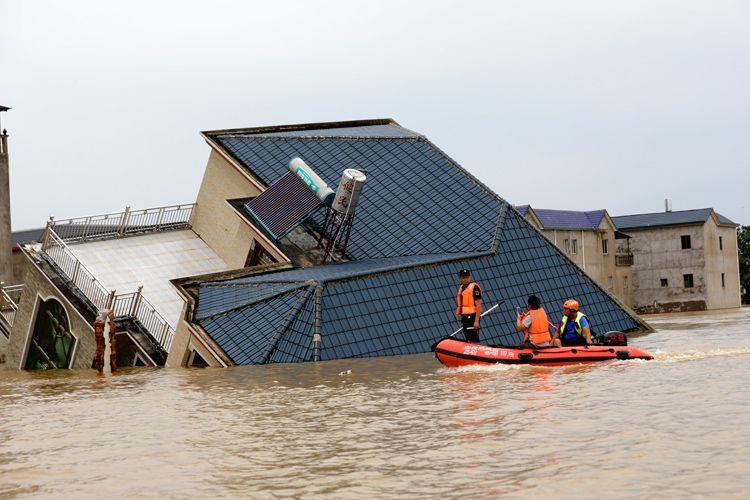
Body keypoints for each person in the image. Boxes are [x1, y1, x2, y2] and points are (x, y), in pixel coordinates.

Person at [455, 269, 482, 343]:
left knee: (474, 338)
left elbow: (479, 305)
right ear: (460, 278)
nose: (465, 279)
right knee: (468, 338)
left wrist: (476, 321)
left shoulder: (474, 287)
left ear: (469, 277)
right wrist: (462, 322)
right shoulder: (461, 288)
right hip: (465, 317)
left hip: (473, 316)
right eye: (463, 277)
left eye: (467, 277)